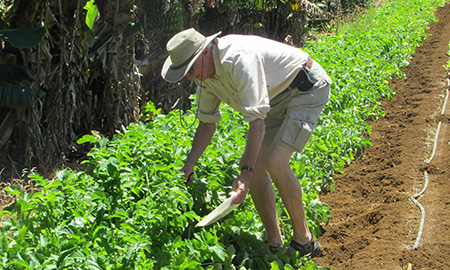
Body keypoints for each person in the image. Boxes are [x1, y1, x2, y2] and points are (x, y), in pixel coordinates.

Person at [161, 28, 331, 258]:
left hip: (303, 89)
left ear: (205, 53)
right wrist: (189, 164)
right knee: (259, 169)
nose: (190, 76)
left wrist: (244, 173)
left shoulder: (238, 59)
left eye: (190, 69)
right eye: (185, 73)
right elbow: (206, 125)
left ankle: (304, 241)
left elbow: (257, 123)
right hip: (272, 100)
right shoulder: (206, 78)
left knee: (275, 163)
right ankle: (275, 243)